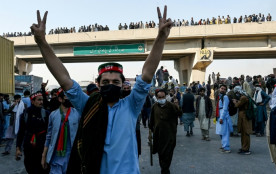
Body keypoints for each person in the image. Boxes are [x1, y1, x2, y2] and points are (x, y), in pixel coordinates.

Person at [30, 6, 172, 174]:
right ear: (98, 85)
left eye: (115, 82)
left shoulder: (131, 105)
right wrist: (41, 42)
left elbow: (147, 74)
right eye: (105, 81)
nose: (110, 84)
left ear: (122, 84)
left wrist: (161, 37)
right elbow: (64, 79)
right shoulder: (89, 105)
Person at [41, 90, 80, 174]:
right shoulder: (53, 115)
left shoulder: (77, 114)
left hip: (71, 155)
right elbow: (49, 136)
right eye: (66, 97)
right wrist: (44, 156)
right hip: (56, 155)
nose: (69, 99)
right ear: (60, 99)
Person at [16, 92, 50, 174]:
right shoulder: (25, 114)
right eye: (39, 100)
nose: (41, 102)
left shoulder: (46, 114)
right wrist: (18, 148)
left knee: (43, 168)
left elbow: (50, 132)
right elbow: (21, 131)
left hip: (42, 145)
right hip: (29, 145)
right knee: (29, 166)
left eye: (42, 100)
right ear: (32, 101)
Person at [149, 89, 182, 174]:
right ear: (156, 97)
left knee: (168, 154)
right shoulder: (154, 107)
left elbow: (179, 114)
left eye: (163, 97)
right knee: (161, 154)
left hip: (170, 136)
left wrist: (177, 106)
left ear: (166, 97)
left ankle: (165, 170)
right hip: (159, 136)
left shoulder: (171, 105)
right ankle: (164, 169)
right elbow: (151, 122)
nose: (161, 99)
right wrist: (151, 133)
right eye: (159, 97)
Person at [233, 87, 252, 155]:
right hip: (244, 116)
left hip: (244, 117)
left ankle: (246, 149)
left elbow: (238, 105)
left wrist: (235, 102)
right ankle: (244, 147)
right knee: (243, 133)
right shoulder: (245, 96)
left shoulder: (243, 97)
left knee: (245, 133)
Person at [216, 84, 233, 153]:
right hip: (219, 114)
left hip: (223, 115)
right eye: (221, 88)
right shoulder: (220, 97)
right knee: (221, 131)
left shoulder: (225, 97)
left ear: (226, 90)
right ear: (219, 89)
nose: (222, 90)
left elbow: (225, 108)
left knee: (225, 132)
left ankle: (226, 147)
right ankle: (224, 145)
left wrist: (221, 118)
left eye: (224, 89)